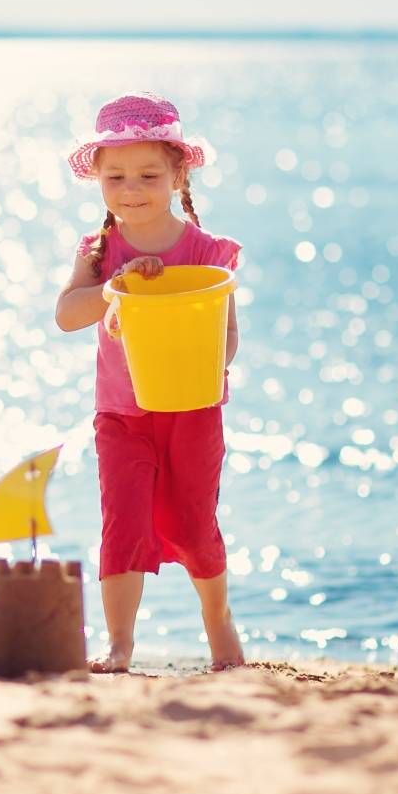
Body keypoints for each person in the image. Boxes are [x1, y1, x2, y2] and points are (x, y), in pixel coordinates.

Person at [54, 92, 245, 673]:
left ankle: (219, 627)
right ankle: (120, 643)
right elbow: (67, 313)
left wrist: (206, 366)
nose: (131, 189)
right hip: (121, 413)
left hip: (191, 409)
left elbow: (227, 337)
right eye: (115, 177)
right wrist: (115, 286)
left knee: (192, 523)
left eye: (147, 174)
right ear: (98, 182)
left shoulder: (206, 251)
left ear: (178, 173)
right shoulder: (100, 250)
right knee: (125, 521)